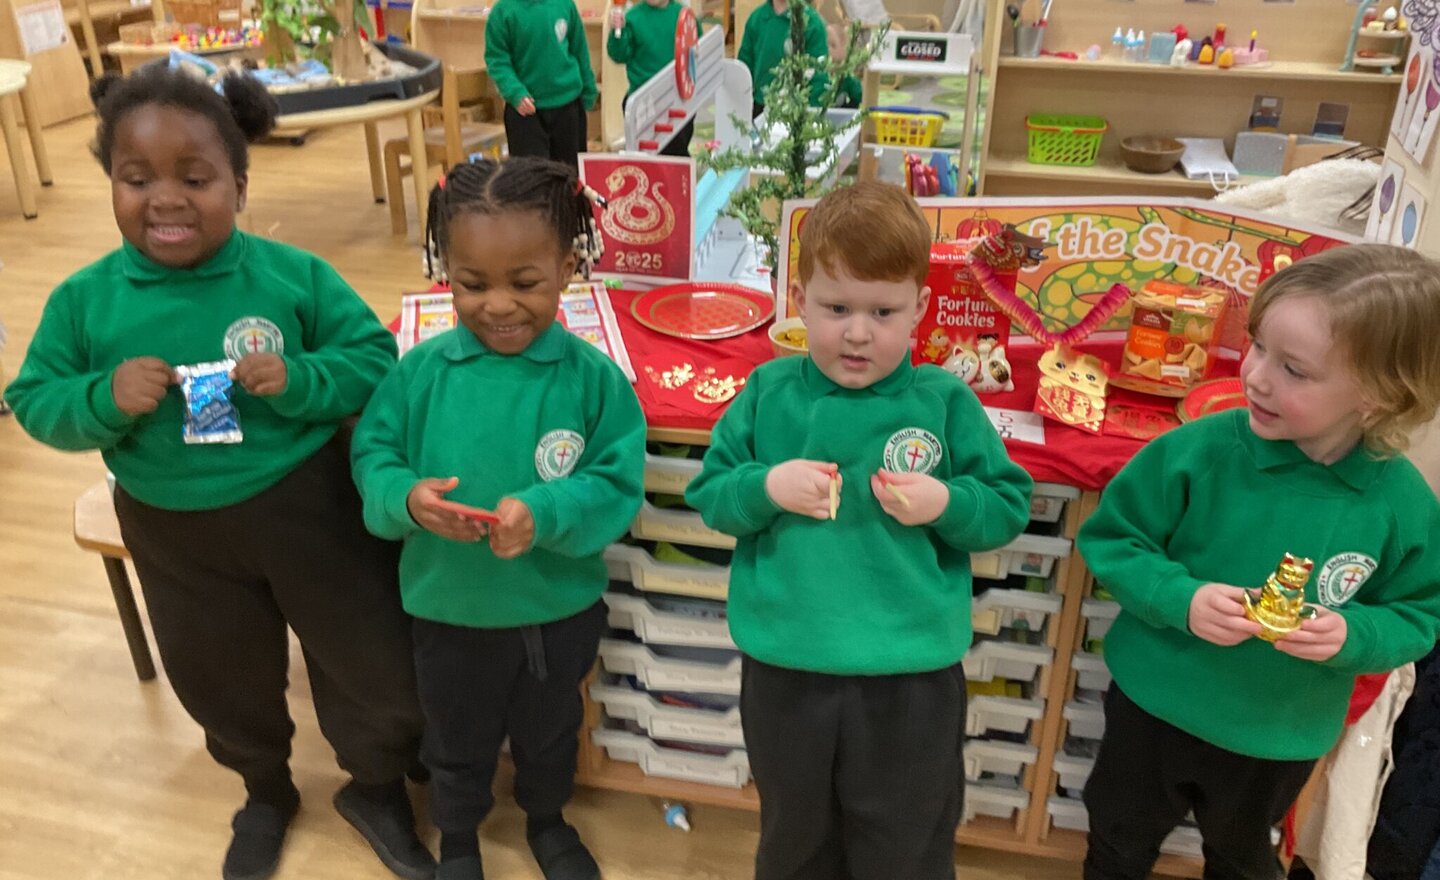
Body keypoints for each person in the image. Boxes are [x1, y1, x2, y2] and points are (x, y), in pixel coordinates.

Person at [5, 66, 432, 880]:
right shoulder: (84, 301)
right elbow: (32, 399)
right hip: (171, 525)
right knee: (216, 671)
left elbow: (376, 358)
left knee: (370, 658)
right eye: (137, 180)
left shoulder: (289, 275)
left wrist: (300, 379)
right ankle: (265, 790)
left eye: (194, 178)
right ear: (111, 184)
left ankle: (375, 788)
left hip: (309, 505)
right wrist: (101, 397)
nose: (165, 198)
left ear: (239, 182)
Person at [684, 182, 1033, 880]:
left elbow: (1005, 506)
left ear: (920, 310)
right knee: (795, 837)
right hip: (787, 670)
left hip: (909, 677)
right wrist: (767, 487)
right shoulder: (769, 392)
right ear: (799, 298)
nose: (857, 332)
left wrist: (946, 503)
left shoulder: (943, 400)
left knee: (904, 845)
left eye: (883, 311)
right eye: (836, 307)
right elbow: (712, 495)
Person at [1076, 244, 1440, 880]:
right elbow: (1111, 540)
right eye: (1258, 346)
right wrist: (1178, 597)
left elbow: (1418, 614)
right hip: (1154, 707)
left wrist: (1355, 634)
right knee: (1116, 841)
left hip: (1279, 734)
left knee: (1243, 861)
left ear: (1381, 396)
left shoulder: (1402, 504)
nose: (1257, 376)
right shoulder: (1200, 450)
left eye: (1294, 369)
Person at [351, 156, 646, 880]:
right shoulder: (419, 374)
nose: (499, 305)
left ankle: (547, 819)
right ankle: (457, 839)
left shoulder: (592, 379)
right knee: (455, 739)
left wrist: (545, 512)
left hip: (555, 608)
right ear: (443, 270)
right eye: (472, 284)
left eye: (526, 283)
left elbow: (616, 482)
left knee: (550, 734)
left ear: (569, 267)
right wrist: (408, 500)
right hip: (449, 611)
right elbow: (374, 457)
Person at [485, 0, 598, 168]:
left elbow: (579, 50)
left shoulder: (565, 5)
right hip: (525, 112)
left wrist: (589, 90)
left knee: (570, 177)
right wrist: (515, 92)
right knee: (531, 180)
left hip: (568, 106)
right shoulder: (502, 12)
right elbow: (497, 60)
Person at [606, 0, 700, 156]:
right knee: (646, 154)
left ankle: (679, 178)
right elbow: (619, 55)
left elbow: (696, 50)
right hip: (644, 100)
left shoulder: (683, 15)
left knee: (677, 152)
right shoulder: (633, 17)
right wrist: (617, 32)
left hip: (678, 97)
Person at [736, 0, 829, 119]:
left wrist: (811, 115)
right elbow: (743, 68)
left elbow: (819, 77)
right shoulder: (756, 19)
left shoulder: (812, 24)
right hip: (759, 107)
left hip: (797, 111)